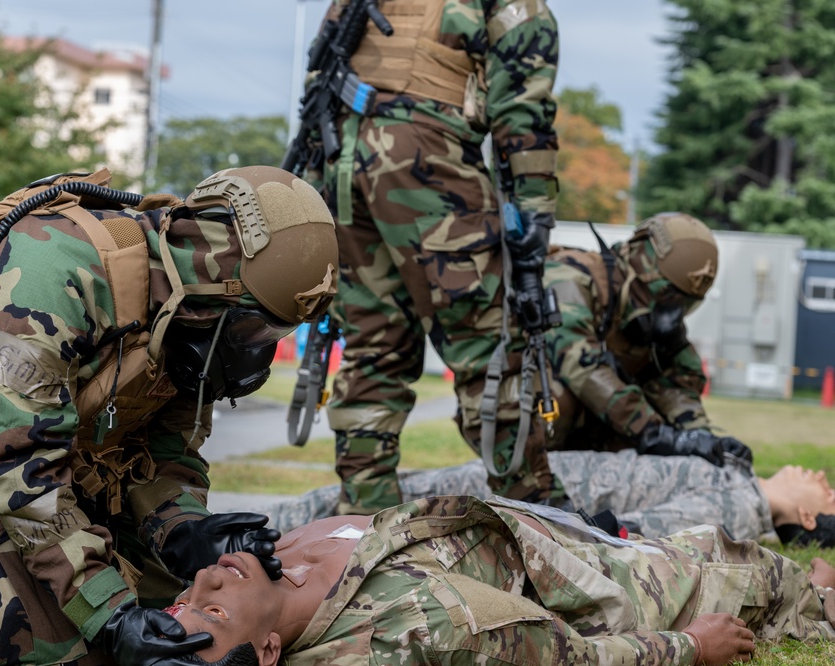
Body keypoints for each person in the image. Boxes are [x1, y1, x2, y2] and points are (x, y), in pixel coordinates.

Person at [0, 166, 338, 666]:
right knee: (43, 645)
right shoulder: (53, 266)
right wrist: (112, 619)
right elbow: (21, 469)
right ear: (208, 283)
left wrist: (184, 533)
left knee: (169, 610)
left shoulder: (185, 315)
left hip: (54, 459)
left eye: (273, 335)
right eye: (250, 330)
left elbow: (165, 455)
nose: (254, 353)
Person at [167, 494, 835, 666]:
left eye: (182, 603)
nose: (203, 584)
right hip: (611, 588)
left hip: (546, 533)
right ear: (268, 649)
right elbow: (565, 661)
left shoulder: (259, 562)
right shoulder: (423, 621)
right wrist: (690, 647)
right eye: (215, 613)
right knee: (766, 579)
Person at [306, 0, 562, 514]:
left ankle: (361, 518)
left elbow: (321, 74)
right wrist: (533, 218)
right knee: (488, 344)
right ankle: (542, 518)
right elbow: (524, 114)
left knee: (373, 347)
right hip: (426, 164)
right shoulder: (514, 7)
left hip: (341, 162)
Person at [257, 451, 835, 547]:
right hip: (533, 478)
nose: (821, 475)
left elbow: (621, 529)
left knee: (378, 501)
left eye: (828, 490)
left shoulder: (736, 510)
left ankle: (245, 530)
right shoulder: (736, 482)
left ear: (808, 516)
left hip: (527, 495)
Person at [543, 212, 751, 466]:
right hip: (519, 411)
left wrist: (702, 439)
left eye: (684, 305)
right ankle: (535, 481)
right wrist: (652, 431)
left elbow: (679, 383)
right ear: (639, 268)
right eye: (667, 298)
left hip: (590, 424)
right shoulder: (570, 277)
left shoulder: (650, 313)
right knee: (560, 395)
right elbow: (582, 368)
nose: (671, 315)